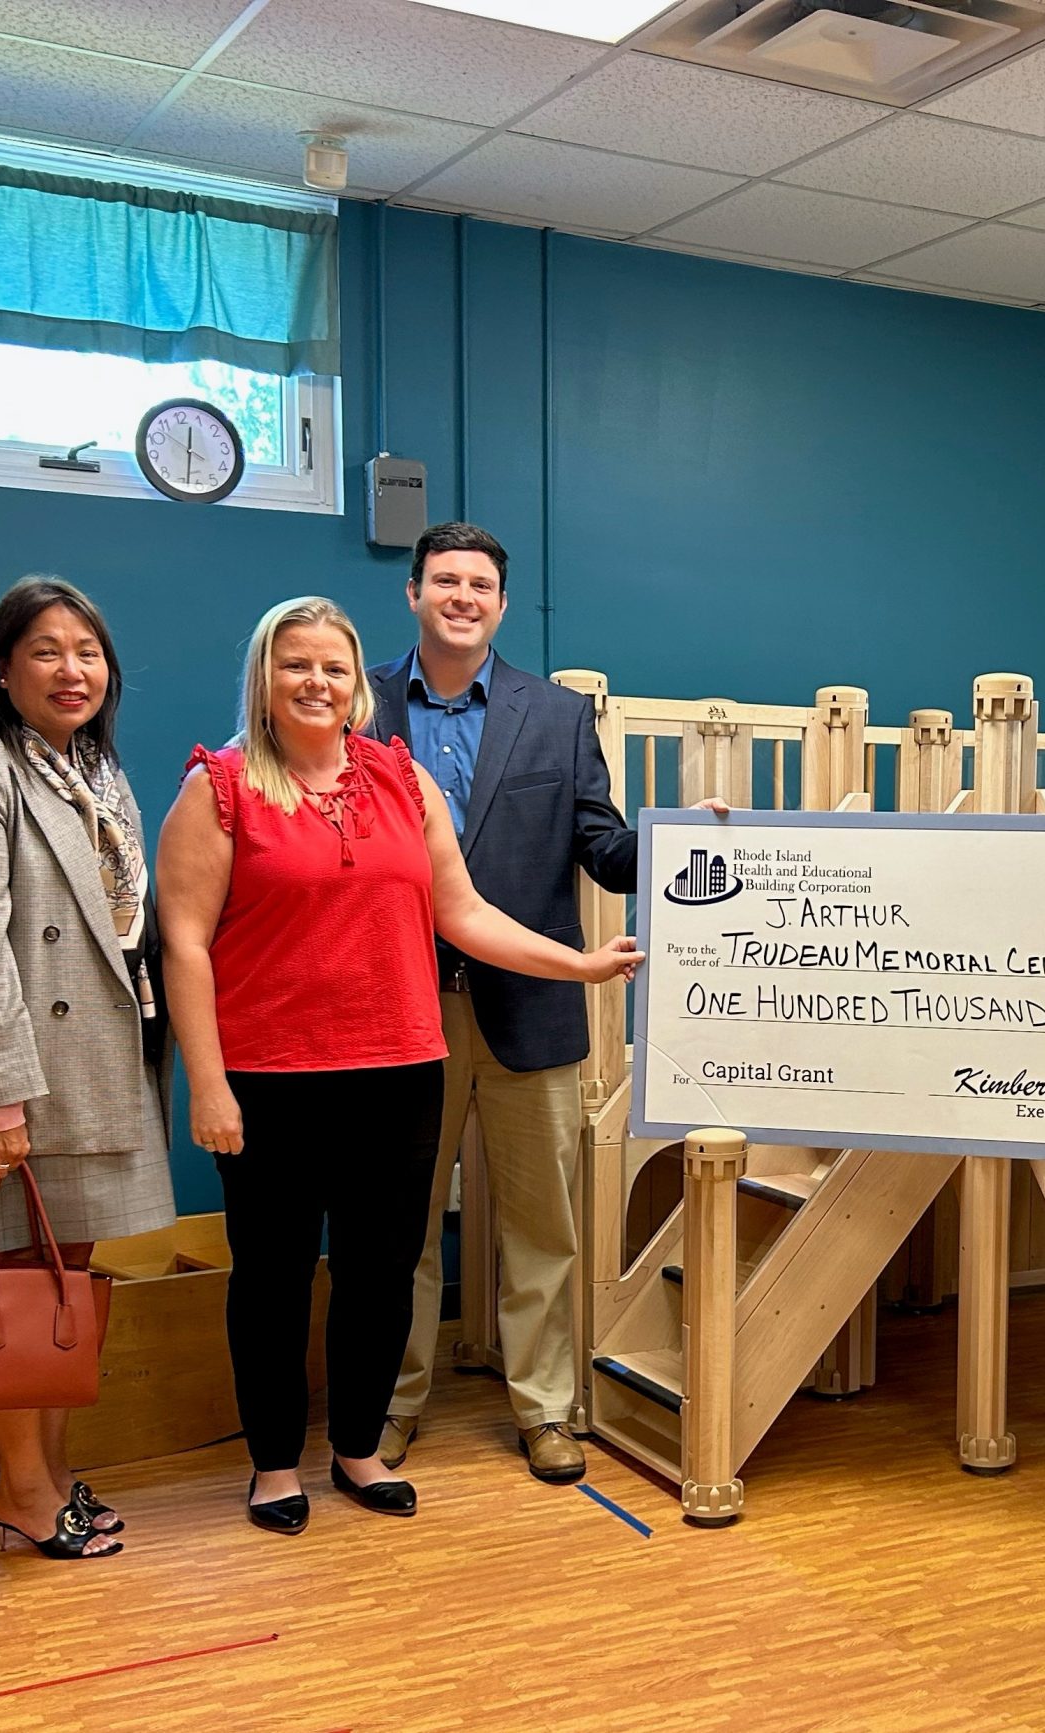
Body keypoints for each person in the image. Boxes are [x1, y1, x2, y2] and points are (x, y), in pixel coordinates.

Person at [156, 596, 641, 1535]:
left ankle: (357, 1448)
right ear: (264, 678)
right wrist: (207, 1083)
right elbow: (184, 944)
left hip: (399, 1070)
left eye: (333, 667)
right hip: (270, 1078)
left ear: (357, 685)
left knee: (380, 1272)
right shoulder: (220, 787)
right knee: (273, 1277)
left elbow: (464, 912)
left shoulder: (399, 780)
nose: (317, 682)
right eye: (296, 664)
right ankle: (273, 1464)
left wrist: (579, 964)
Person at [365, 523, 707, 1485]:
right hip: (396, 1009)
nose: (462, 597)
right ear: (413, 593)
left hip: (535, 1009)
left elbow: (603, 845)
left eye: (480, 584)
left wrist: (683, 839)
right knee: (397, 1227)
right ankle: (386, 1406)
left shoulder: (557, 714)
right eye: (445, 580)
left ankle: (546, 1409)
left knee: (541, 1227)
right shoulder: (359, 702)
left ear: (502, 604)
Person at [0, 576, 175, 1560]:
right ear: (3, 668)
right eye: (47, 651)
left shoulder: (96, 770)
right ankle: (22, 1488)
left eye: (88, 652)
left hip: (103, 1058)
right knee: (14, 1280)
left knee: (67, 1281)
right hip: (22, 1075)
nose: (73, 670)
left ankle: (51, 1474)